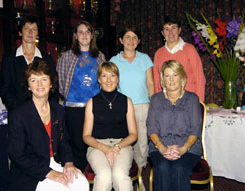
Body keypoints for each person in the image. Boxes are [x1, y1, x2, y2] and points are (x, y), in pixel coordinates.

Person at [8, 60, 89, 191]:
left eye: (44, 79)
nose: (39, 84)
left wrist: (69, 163)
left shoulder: (58, 110)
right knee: (62, 188)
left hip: (56, 162)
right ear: (28, 86)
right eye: (34, 80)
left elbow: (64, 142)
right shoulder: (18, 115)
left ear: (51, 84)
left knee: (82, 184)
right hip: (31, 172)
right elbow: (18, 156)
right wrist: (50, 173)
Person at [56, 20, 105, 171]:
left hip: (95, 108)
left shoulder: (100, 57)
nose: (84, 35)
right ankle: (80, 182)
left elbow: (106, 81)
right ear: (75, 36)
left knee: (95, 146)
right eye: (81, 32)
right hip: (73, 109)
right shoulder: (66, 57)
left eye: (87, 32)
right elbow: (60, 81)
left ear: (92, 35)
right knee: (77, 147)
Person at [147, 60, 202, 191]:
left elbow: (195, 130)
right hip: (159, 147)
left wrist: (183, 149)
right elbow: (152, 128)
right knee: (162, 167)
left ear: (182, 77)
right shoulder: (155, 99)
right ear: (162, 79)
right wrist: (162, 148)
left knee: (179, 168)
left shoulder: (192, 99)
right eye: (167, 75)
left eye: (175, 75)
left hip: (188, 148)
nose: (171, 80)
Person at [83, 62, 137, 191]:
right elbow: (86, 136)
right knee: (104, 176)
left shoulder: (127, 101)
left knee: (120, 175)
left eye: (112, 76)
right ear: (98, 79)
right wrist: (104, 148)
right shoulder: (92, 102)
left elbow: (134, 134)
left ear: (117, 79)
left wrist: (117, 146)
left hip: (122, 145)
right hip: (97, 146)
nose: (108, 80)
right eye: (104, 76)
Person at [110, 26, 154, 181]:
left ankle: (140, 177)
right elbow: (111, 86)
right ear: (121, 40)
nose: (131, 41)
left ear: (139, 41)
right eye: (127, 37)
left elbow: (150, 83)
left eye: (134, 37)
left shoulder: (145, 59)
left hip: (143, 107)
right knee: (124, 142)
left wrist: (154, 104)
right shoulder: (114, 61)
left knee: (142, 142)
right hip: (122, 108)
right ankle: (125, 175)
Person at [0, 15, 58, 111]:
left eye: (34, 29)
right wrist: (19, 110)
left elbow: (54, 86)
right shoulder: (9, 59)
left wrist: (46, 109)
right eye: (27, 28)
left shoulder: (46, 58)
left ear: (37, 34)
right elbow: (6, 90)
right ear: (20, 32)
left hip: (43, 113)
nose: (30, 32)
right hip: (18, 113)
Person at [153, 15, 206, 101]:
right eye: (166, 29)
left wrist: (198, 104)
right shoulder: (158, 54)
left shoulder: (190, 50)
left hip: (188, 102)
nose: (170, 32)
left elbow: (200, 79)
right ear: (162, 33)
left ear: (179, 30)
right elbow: (157, 83)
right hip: (166, 104)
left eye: (173, 28)